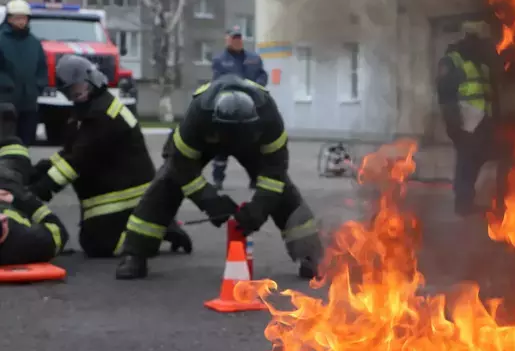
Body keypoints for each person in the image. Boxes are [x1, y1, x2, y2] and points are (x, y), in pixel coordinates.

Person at [114, 74, 323, 280]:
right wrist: (208, 200)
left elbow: (274, 172)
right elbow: (181, 165)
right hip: (204, 143)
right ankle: (134, 253)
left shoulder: (268, 117)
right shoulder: (198, 116)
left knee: (282, 190)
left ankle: (311, 256)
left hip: (254, 146)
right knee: (167, 181)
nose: (234, 142)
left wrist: (259, 208)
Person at [28, 54, 192, 258]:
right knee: (92, 242)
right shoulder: (86, 111)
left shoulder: (104, 115)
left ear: (91, 80)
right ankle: (151, 225)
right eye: (70, 92)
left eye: (79, 88)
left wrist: (40, 190)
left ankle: (154, 232)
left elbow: (76, 162)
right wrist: (40, 170)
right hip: (109, 193)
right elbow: (70, 152)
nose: (76, 95)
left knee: (99, 247)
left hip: (128, 195)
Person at [436, 20, 496, 216]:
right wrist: (453, 123)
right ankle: (463, 203)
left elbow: (488, 92)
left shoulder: (481, 61)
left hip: (483, 121)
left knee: (476, 159)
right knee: (466, 161)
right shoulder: (453, 60)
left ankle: (466, 198)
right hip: (465, 122)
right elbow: (445, 93)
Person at [0, 104, 69, 265]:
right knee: (14, 158)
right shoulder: (24, 241)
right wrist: (23, 200)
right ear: (3, 221)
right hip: (10, 187)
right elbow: (59, 232)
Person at [210, 26, 269, 190]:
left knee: (253, 146)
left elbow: (262, 75)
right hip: (229, 109)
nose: (237, 41)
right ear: (227, 39)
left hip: (251, 107)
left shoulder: (254, 58)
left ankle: (255, 178)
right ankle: (218, 180)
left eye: (239, 38)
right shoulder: (220, 60)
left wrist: (257, 85)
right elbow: (217, 81)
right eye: (233, 38)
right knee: (222, 147)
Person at [0, 0, 48, 145]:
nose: (21, 21)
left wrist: (38, 87)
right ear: (9, 19)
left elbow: (41, 67)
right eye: (17, 18)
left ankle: (21, 166)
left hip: (28, 103)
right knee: (5, 141)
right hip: (5, 102)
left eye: (24, 18)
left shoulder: (34, 42)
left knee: (25, 142)